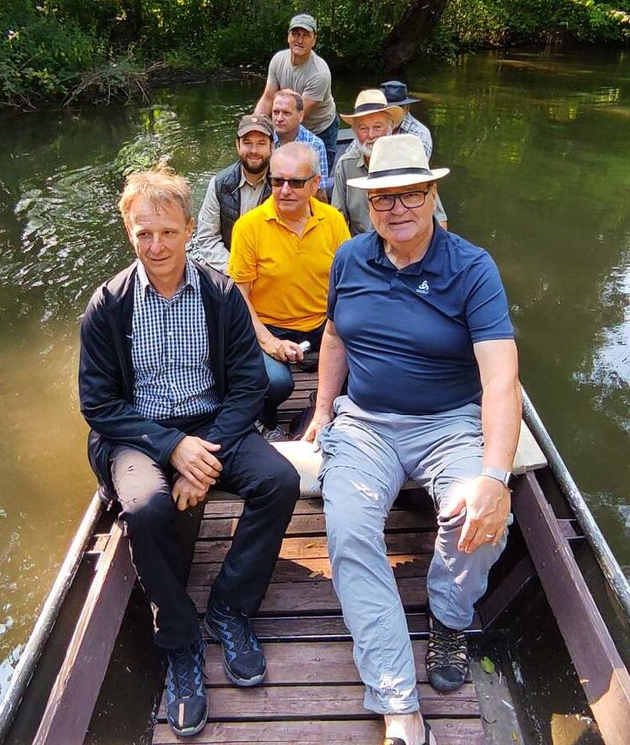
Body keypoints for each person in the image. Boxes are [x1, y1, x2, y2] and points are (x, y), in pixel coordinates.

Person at [304, 135, 521, 745]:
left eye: (410, 195)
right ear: (368, 203)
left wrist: (495, 479)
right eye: (382, 198)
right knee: (348, 529)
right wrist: (322, 409)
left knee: (478, 519)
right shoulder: (349, 259)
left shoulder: (471, 267)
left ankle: (449, 616)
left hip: (450, 423)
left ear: (432, 195)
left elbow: (501, 378)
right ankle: (396, 698)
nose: (396, 208)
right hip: (365, 422)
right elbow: (335, 337)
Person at [79, 167, 300, 738]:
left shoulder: (221, 295)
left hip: (211, 422)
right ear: (129, 233)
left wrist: (205, 452)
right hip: (136, 432)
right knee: (148, 507)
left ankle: (230, 607)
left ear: (186, 230)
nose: (157, 247)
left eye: (168, 233)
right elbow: (99, 404)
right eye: (143, 234)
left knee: (278, 481)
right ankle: (179, 642)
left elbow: (250, 386)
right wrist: (173, 448)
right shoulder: (107, 306)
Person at [227, 142, 350, 439]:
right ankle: (267, 423)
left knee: (366, 364)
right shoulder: (249, 227)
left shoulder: (332, 221)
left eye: (296, 182)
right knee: (275, 383)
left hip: (323, 325)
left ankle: (317, 410)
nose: (284, 191)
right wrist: (270, 342)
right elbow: (238, 296)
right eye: (277, 181)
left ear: (315, 184)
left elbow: (349, 283)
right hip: (267, 326)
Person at [333, 89, 447, 235]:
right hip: (363, 248)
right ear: (354, 132)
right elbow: (339, 218)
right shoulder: (345, 165)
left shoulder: (409, 160)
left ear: (391, 127)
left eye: (377, 127)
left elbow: (439, 220)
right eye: (363, 128)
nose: (371, 135)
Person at [255, 13, 339, 171]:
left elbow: (297, 115)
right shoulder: (278, 60)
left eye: (306, 36)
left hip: (320, 129)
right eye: (295, 34)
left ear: (314, 40)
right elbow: (267, 99)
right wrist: (255, 127)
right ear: (288, 36)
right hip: (289, 120)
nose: (300, 40)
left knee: (314, 179)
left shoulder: (320, 74)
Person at [194, 114, 274, 274]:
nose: (254, 151)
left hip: (272, 270)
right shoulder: (219, 184)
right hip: (230, 270)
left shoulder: (283, 184)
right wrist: (234, 269)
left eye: (261, 143)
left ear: (272, 146)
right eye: (247, 143)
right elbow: (208, 237)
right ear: (237, 145)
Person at [272, 88, 330, 201]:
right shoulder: (265, 140)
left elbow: (318, 191)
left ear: (301, 116)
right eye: (276, 112)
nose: (279, 118)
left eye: (286, 113)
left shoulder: (314, 145)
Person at [380, 80, 433, 159]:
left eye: (395, 110)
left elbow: (416, 168)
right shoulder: (370, 128)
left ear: (407, 108)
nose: (389, 115)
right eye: (385, 110)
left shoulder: (419, 134)